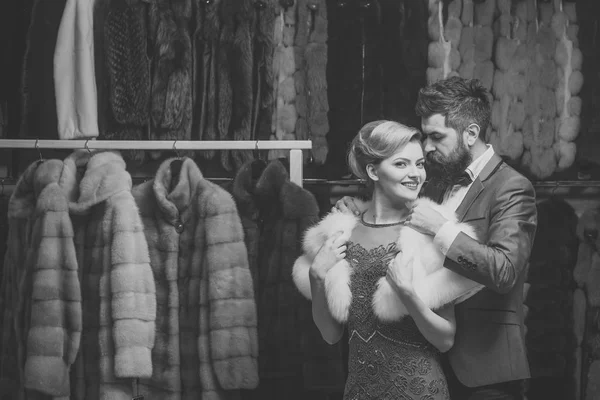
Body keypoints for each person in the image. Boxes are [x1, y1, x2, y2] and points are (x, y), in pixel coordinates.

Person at [336, 76, 538, 400]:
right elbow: (394, 212)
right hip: (428, 363)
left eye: (436, 137)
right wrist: (354, 211)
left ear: (471, 133)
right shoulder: (436, 180)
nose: (427, 148)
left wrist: (441, 230)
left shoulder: (512, 188)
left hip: (486, 370)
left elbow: (504, 271)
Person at [292, 120, 488, 400]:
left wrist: (408, 294)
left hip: (419, 390)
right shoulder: (340, 233)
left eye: (419, 164)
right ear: (372, 170)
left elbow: (445, 340)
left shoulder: (428, 236)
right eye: (401, 164)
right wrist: (316, 276)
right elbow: (331, 335)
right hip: (359, 391)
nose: (415, 174)